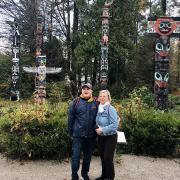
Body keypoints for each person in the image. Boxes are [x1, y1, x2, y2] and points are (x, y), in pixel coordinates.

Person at [68, 83, 98, 180]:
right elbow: (70, 118)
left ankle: (84, 174)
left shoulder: (96, 102)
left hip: (91, 135)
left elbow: (103, 114)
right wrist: (70, 132)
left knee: (88, 157)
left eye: (88, 89)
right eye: (84, 89)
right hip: (78, 135)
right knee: (75, 156)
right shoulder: (75, 102)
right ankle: (74, 175)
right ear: (81, 90)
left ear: (91, 91)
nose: (86, 90)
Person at [95, 90, 119, 180]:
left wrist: (102, 130)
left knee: (108, 158)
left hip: (110, 137)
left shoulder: (111, 109)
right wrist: (96, 128)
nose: (102, 97)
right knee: (102, 157)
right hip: (101, 137)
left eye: (104, 96)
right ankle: (104, 176)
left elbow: (115, 125)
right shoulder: (99, 108)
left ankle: (110, 177)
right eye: (100, 96)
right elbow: (96, 121)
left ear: (108, 98)